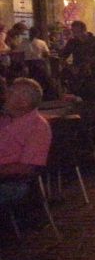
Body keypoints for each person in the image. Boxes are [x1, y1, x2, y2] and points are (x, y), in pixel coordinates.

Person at [0, 78, 52, 210]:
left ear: (23, 102)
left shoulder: (38, 127)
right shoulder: (5, 119)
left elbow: (26, 168)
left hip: (14, 183)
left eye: (10, 93)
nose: (5, 95)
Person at [60, 20, 95, 103]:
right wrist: (70, 67)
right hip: (79, 75)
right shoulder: (72, 42)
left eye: (77, 32)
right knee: (78, 94)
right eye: (73, 32)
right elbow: (62, 57)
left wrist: (92, 63)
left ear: (84, 30)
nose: (75, 34)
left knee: (94, 96)